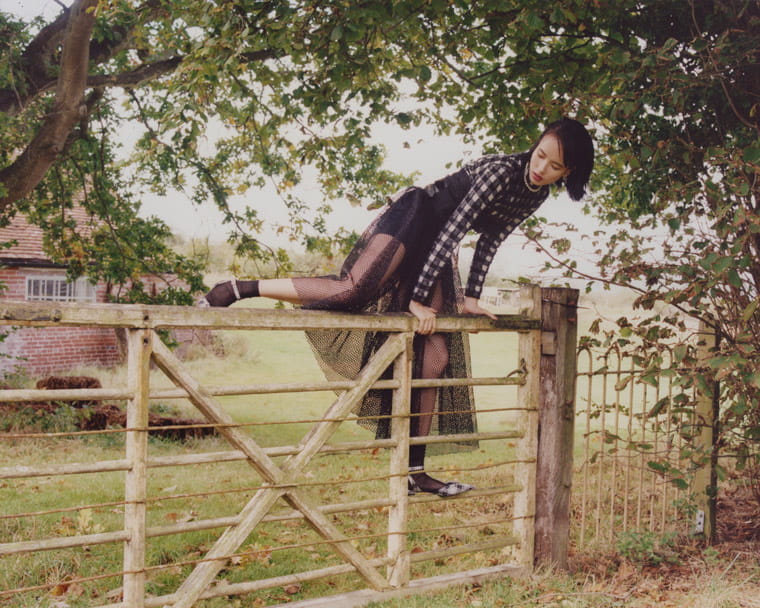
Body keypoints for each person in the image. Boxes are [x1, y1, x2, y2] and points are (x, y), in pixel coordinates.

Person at [199, 117, 594, 497]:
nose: (541, 167)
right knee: (353, 290)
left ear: (568, 171)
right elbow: (456, 230)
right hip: (417, 217)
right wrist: (418, 300)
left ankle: (413, 473)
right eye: (540, 154)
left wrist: (472, 297)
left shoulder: (535, 194)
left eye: (555, 165)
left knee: (434, 358)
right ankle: (235, 288)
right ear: (536, 143)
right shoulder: (500, 172)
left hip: (436, 245)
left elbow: (490, 239)